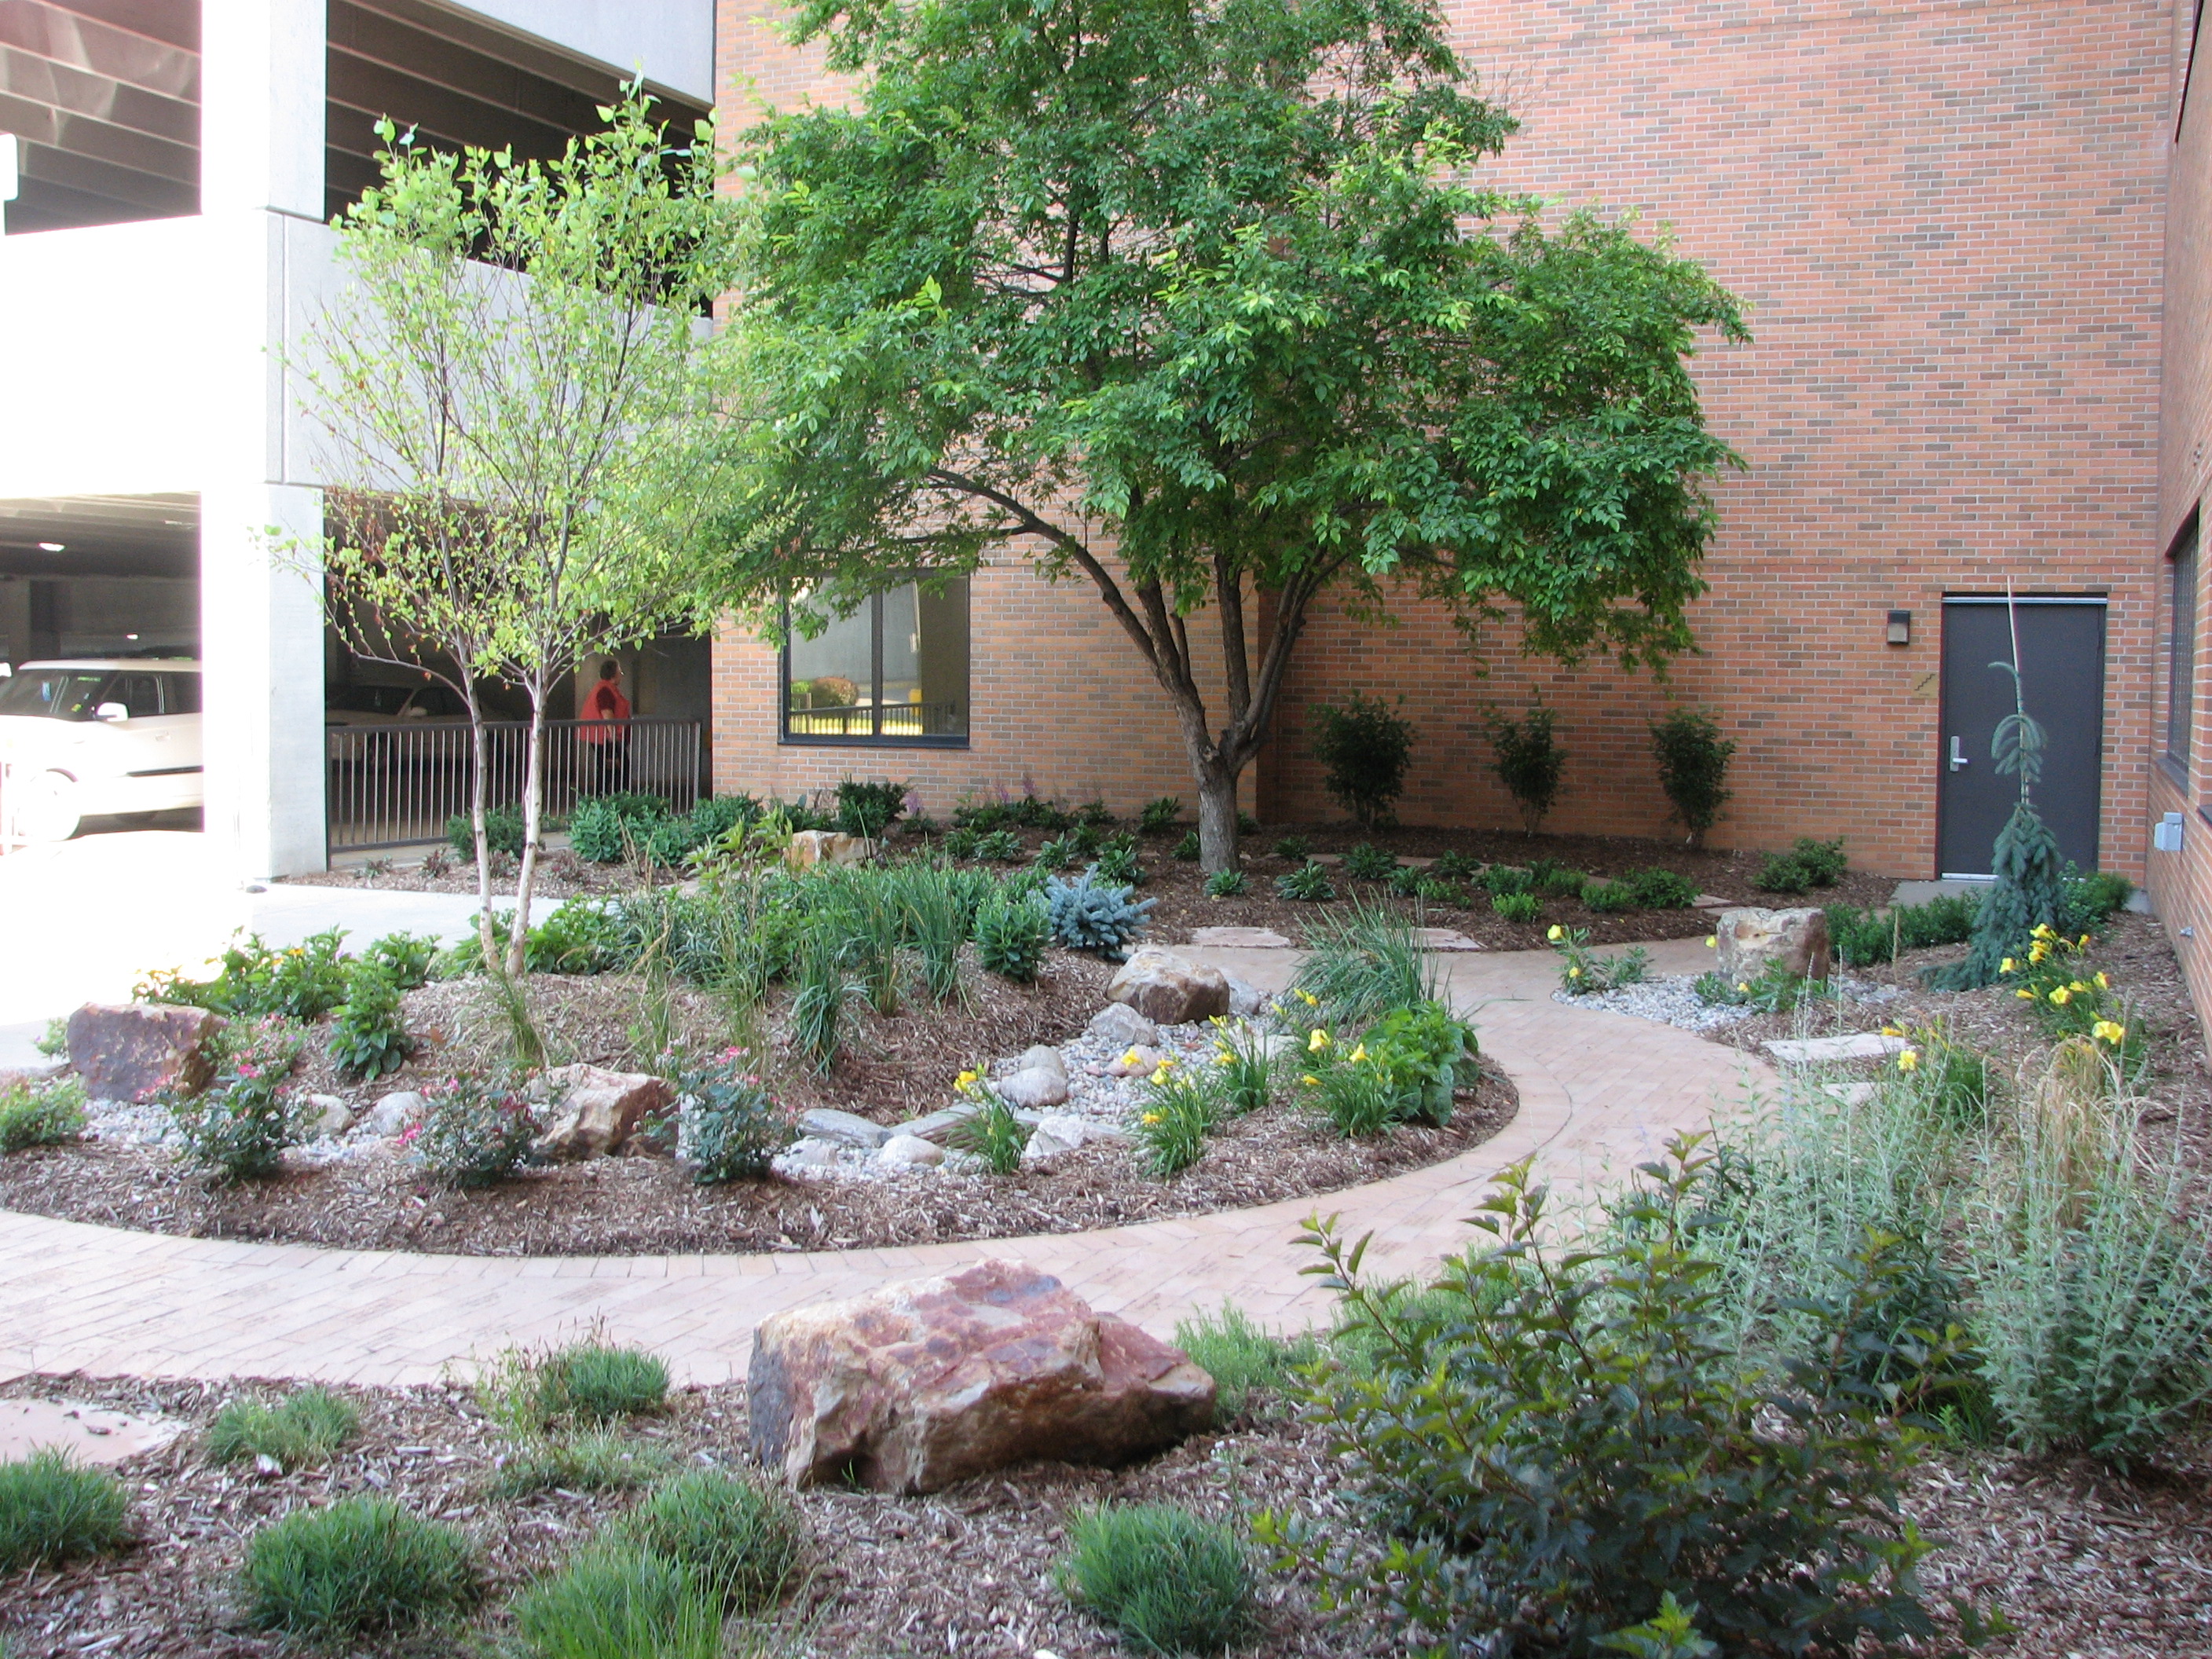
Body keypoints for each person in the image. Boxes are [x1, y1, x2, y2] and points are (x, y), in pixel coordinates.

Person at [579, 660, 632, 795]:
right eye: (619, 672)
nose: (621, 675)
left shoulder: (606, 689)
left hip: (605, 738)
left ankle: (605, 798)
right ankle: (611, 798)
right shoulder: (605, 691)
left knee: (609, 769)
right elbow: (607, 714)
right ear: (613, 674)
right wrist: (614, 738)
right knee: (614, 769)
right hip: (606, 739)